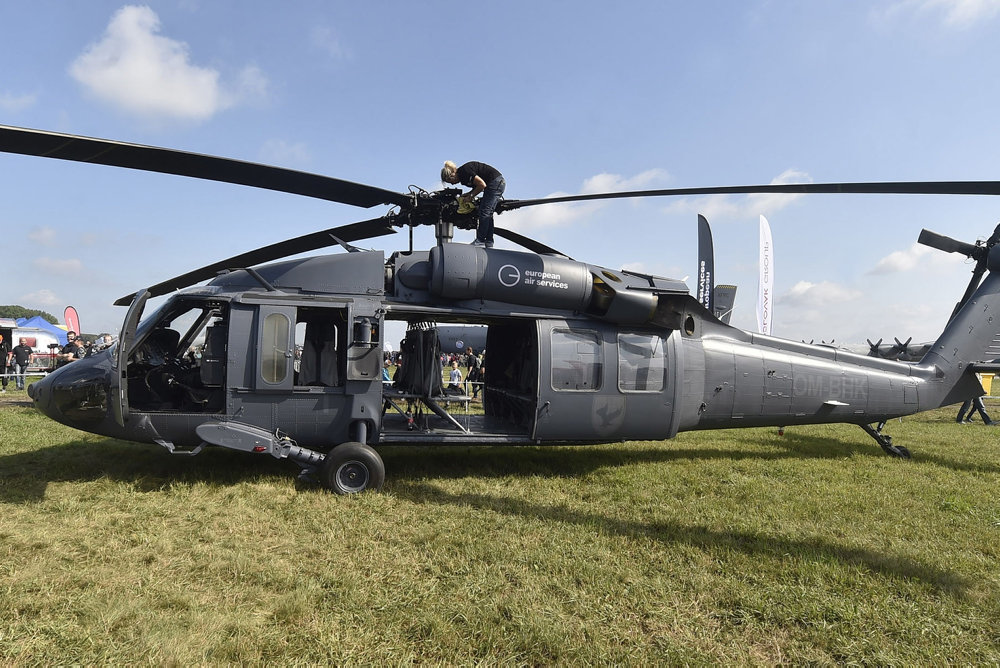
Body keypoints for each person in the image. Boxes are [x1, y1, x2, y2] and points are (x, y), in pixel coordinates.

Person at [441, 160, 505, 247]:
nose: (452, 184)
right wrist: (468, 194)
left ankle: (480, 240)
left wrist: (470, 196)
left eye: (450, 181)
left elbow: (482, 185)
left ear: (453, 174)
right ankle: (489, 241)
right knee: (488, 213)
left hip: (495, 182)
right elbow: (477, 186)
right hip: (495, 183)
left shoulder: (464, 172)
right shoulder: (463, 178)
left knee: (484, 212)